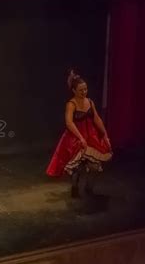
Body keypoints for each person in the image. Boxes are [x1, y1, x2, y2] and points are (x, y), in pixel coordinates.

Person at [47, 70, 112, 198]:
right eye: (81, 90)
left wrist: (105, 136)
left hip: (90, 136)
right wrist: (80, 138)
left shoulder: (90, 102)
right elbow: (69, 123)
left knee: (94, 166)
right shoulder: (71, 104)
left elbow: (97, 119)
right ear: (74, 91)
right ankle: (75, 187)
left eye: (86, 89)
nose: (84, 92)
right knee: (76, 168)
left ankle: (89, 188)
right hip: (75, 138)